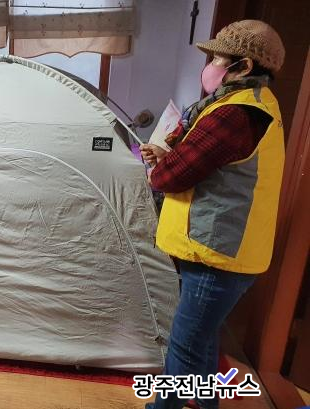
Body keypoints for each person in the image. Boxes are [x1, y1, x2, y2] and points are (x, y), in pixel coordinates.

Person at [140, 20, 285, 409]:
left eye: (218, 59)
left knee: (185, 346)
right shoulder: (254, 103)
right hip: (222, 251)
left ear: (244, 66)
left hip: (216, 254)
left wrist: (163, 166)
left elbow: (170, 178)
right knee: (202, 342)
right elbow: (212, 164)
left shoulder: (234, 113)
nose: (210, 66)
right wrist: (170, 157)